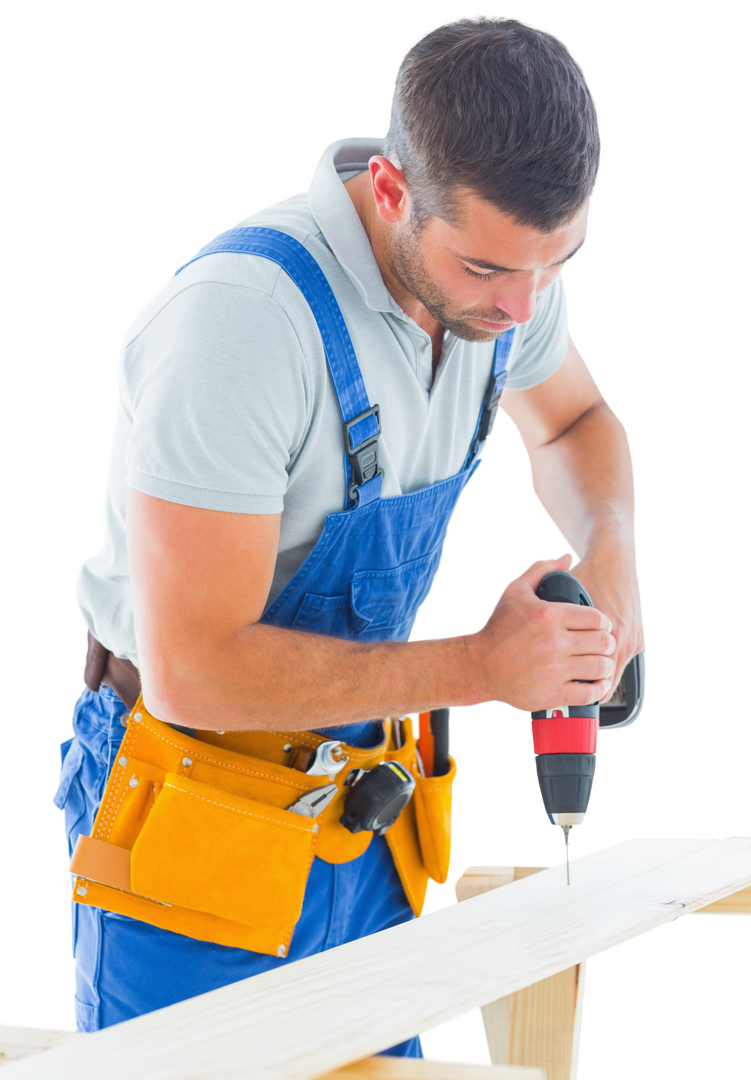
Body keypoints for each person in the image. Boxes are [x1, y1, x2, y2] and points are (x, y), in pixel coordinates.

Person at [53, 12, 646, 1055]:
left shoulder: (507, 276)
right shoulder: (241, 327)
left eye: (553, 265)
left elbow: (575, 422)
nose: (521, 308)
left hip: (364, 818)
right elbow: (198, 671)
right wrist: (479, 667)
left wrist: (611, 565)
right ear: (389, 192)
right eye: (485, 272)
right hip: (195, 818)